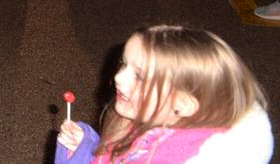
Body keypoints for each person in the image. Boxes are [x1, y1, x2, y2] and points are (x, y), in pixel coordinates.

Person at [55, 25, 273, 163]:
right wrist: (86, 147)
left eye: (140, 76)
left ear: (184, 103)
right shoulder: (154, 119)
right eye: (124, 64)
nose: (119, 77)